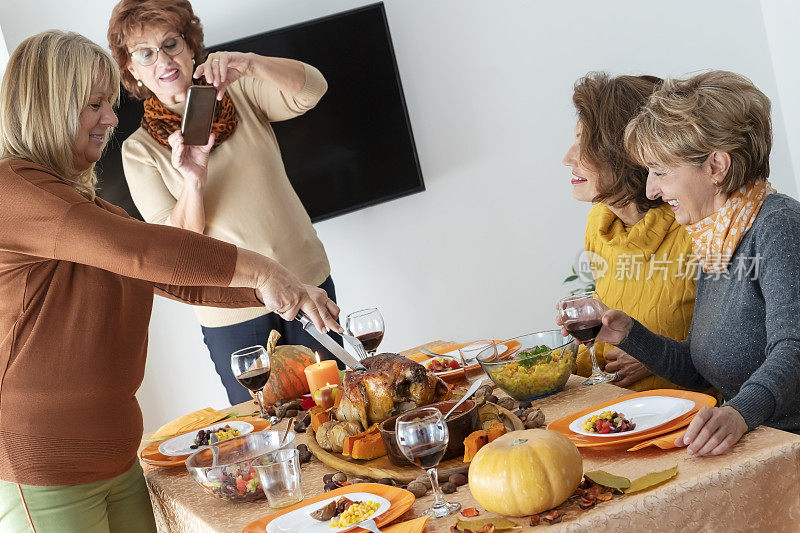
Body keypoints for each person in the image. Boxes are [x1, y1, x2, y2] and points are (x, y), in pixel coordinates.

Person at [0, 30, 341, 531]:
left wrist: (283, 291)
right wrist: (265, 270)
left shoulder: (80, 207)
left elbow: (172, 278)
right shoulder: (12, 189)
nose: (112, 119)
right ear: (51, 104)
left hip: (117, 454)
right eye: (96, 104)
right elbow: (142, 251)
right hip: (45, 462)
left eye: (110, 104)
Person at [107, 0, 340, 404]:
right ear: (131, 68)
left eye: (170, 43)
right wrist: (193, 181)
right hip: (232, 312)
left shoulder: (240, 92)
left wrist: (249, 63)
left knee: (341, 412)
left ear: (191, 46)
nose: (163, 59)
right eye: (145, 52)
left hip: (306, 283)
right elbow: (176, 243)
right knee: (270, 435)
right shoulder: (139, 150)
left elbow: (313, 89)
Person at [573, 70, 800, 456]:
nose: (651, 189)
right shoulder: (715, 236)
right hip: (754, 445)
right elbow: (701, 367)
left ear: (716, 166)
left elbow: (794, 347)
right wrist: (632, 334)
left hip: (786, 445)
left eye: (660, 171)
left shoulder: (778, 227)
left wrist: (740, 413)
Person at [562, 72, 696, 390]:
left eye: (584, 142)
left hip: (689, 415)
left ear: (623, 152)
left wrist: (652, 353)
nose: (567, 158)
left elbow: (730, 352)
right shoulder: (599, 224)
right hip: (615, 408)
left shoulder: (694, 228)